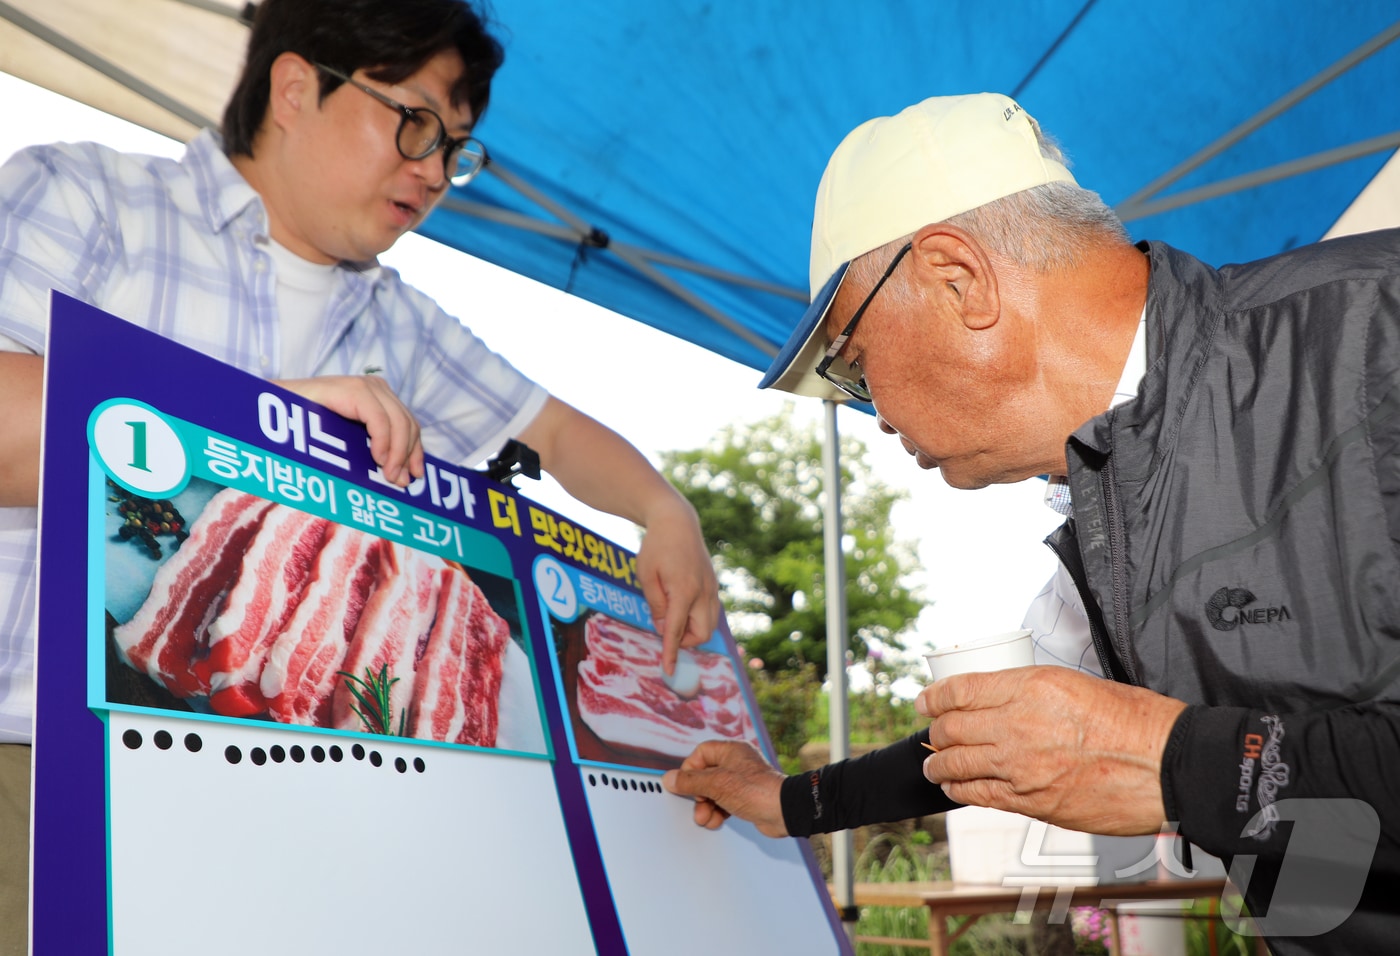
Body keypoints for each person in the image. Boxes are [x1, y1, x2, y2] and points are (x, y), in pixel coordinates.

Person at [0, 1, 718, 950]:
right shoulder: (90, 199)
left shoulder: (400, 321)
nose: (432, 173)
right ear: (296, 87)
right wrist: (263, 420)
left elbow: (556, 433)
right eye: (414, 121)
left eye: (454, 148)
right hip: (47, 769)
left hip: (312, 809)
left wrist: (664, 511)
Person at [663, 92, 1400, 955]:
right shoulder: (1111, 509)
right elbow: (990, 740)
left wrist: (1173, 763)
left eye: (854, 367)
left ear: (957, 279)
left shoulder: (1375, 334)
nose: (875, 414)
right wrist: (792, 801)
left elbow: (1160, 752)